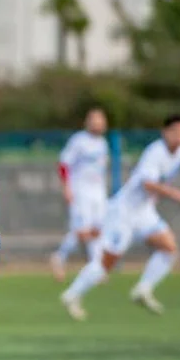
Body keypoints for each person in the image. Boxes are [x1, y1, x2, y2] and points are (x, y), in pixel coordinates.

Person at [60, 114, 180, 320]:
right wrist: (179, 195)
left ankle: (143, 289)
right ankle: (71, 295)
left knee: (169, 248)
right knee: (107, 263)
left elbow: (160, 183)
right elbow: (148, 183)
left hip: (144, 211)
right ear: (165, 132)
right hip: (124, 212)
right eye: (176, 131)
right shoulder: (156, 151)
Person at [50, 108, 110, 281]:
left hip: (98, 192)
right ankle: (60, 257)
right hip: (80, 190)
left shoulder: (103, 143)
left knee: (97, 230)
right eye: (94, 119)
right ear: (88, 122)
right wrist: (66, 187)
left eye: (101, 120)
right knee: (82, 231)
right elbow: (63, 164)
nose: (98, 123)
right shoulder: (79, 141)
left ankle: (96, 267)